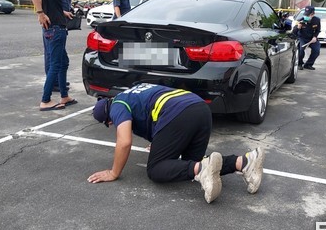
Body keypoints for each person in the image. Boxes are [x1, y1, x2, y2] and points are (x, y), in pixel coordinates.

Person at [88, 83, 265, 204]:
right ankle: (244, 162)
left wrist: (113, 172)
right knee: (190, 162)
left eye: (110, 123)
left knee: (156, 169)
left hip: (179, 113)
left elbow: (124, 142)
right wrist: (160, 144)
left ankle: (201, 171)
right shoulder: (132, 92)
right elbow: (151, 115)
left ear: (108, 119)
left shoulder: (117, 106)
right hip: (200, 109)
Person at [29, 0, 79, 111]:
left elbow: (49, 0)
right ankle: (46, 100)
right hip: (54, 28)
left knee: (63, 62)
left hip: (58, 25)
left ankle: (64, 96)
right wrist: (40, 13)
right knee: (56, 64)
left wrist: (62, 11)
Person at [43, 0, 108, 93]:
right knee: (54, 57)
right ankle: (51, 87)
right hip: (53, 23)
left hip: (62, 22)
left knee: (61, 59)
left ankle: (58, 84)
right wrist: (40, 13)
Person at [292, 6, 321, 70]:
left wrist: (315, 37)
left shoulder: (317, 20)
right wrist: (298, 27)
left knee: (316, 50)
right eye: (306, 14)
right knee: (301, 50)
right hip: (302, 38)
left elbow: (318, 30)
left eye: (309, 15)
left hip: (312, 38)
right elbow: (294, 32)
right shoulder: (300, 20)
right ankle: (299, 63)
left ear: (313, 14)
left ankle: (308, 64)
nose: (307, 16)